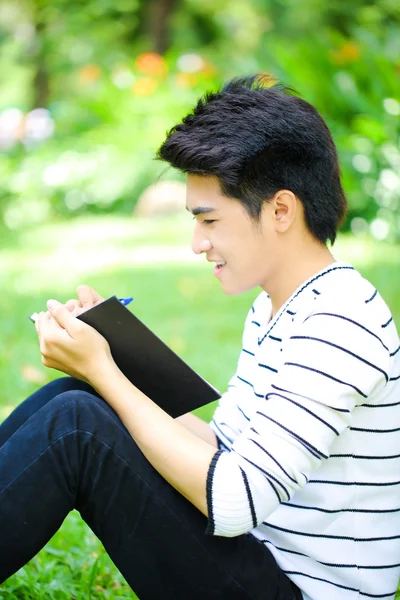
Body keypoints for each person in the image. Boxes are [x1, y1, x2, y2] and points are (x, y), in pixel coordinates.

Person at [1, 74, 399, 600]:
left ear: (281, 210)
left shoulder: (339, 322)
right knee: (78, 398)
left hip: (298, 589)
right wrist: (113, 366)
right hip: (258, 561)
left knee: (78, 424)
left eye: (209, 220)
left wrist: (104, 371)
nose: (197, 243)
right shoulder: (282, 303)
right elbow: (222, 448)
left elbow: (232, 502)